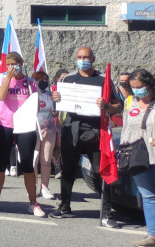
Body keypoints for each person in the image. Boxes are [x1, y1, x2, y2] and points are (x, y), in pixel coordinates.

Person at [50, 46, 121, 227]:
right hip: (71, 129)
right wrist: (55, 98)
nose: (83, 59)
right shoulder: (68, 78)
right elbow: (56, 105)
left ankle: (106, 212)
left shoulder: (103, 79)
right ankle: (65, 206)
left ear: (93, 58)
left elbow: (117, 106)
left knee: (101, 171)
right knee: (67, 170)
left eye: (86, 57)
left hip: (96, 131)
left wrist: (106, 106)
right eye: (80, 57)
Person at [0, 52, 45, 217]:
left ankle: (33, 203)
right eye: (9, 64)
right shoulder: (2, 78)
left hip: (25, 126)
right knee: (1, 162)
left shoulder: (30, 82)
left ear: (21, 63)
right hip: (5, 124)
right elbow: (0, 95)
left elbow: (36, 105)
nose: (12, 67)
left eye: (15, 64)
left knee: (27, 163)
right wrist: (8, 80)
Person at [120, 69, 155, 246]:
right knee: (148, 195)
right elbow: (125, 126)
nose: (136, 91)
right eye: (133, 88)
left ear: (148, 84)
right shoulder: (129, 102)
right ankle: (152, 235)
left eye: (139, 87)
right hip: (138, 155)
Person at [32, 70, 58, 200]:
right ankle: (34, 186)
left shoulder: (51, 96)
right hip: (33, 129)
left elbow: (55, 113)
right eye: (40, 80)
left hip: (49, 130)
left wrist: (55, 112)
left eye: (45, 80)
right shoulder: (31, 95)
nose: (43, 83)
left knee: (46, 160)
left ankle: (45, 187)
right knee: (34, 160)